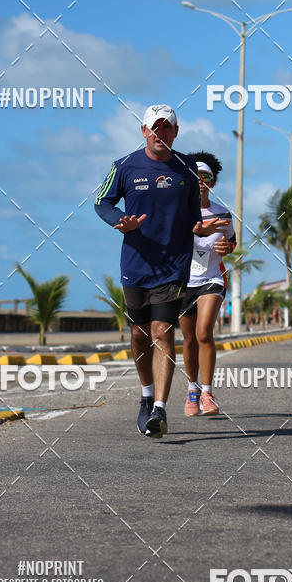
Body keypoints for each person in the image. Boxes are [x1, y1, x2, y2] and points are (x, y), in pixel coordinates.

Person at [94, 105, 229, 438]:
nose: (160, 134)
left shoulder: (185, 169)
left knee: (162, 332)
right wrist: (119, 222)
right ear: (143, 131)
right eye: (154, 128)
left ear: (175, 131)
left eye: (166, 128)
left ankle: (160, 410)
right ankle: (146, 395)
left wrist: (198, 229)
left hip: (174, 266)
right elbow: (102, 202)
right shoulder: (124, 166)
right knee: (139, 334)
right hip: (136, 263)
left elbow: (191, 217)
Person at [179, 154, 236, 417]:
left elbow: (231, 241)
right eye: (196, 177)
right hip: (183, 281)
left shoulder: (223, 212)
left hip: (212, 278)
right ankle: (191, 389)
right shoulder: (178, 211)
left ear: (212, 182)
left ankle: (207, 391)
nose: (201, 182)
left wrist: (228, 247)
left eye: (206, 178)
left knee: (203, 333)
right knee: (189, 339)